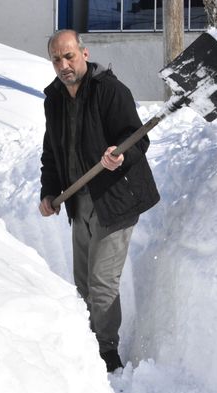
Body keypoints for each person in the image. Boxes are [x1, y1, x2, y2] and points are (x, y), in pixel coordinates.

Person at [38, 30, 160, 372]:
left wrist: (119, 156)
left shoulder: (110, 91)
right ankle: (88, 341)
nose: (63, 65)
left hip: (116, 198)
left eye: (69, 56)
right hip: (79, 201)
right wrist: (49, 192)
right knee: (82, 282)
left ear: (84, 53)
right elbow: (52, 153)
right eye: (56, 59)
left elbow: (137, 140)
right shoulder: (55, 99)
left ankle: (108, 355)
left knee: (101, 282)